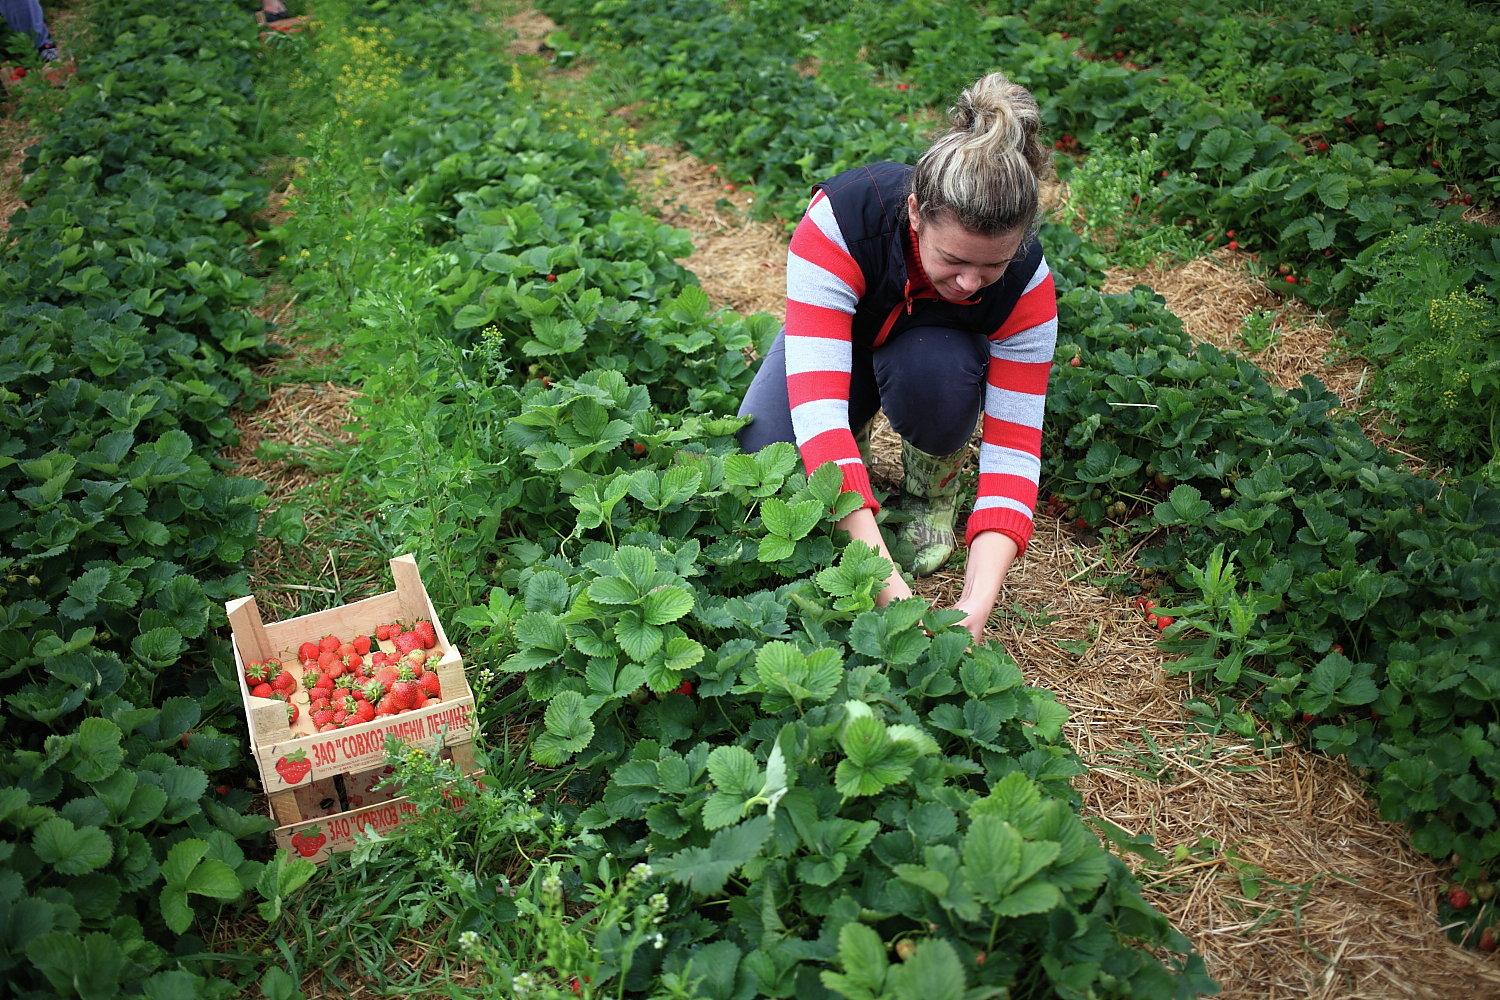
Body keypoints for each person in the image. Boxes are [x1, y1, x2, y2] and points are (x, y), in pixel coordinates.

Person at [736, 71, 1058, 642]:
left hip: (932, 359)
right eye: (954, 258)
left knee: (938, 374)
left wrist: (976, 604)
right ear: (915, 214)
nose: (969, 282)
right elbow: (817, 411)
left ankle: (931, 493)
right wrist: (889, 587)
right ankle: (852, 467)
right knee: (765, 448)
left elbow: (1013, 452)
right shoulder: (839, 221)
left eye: (993, 266)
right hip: (845, 345)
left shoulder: (1028, 287)